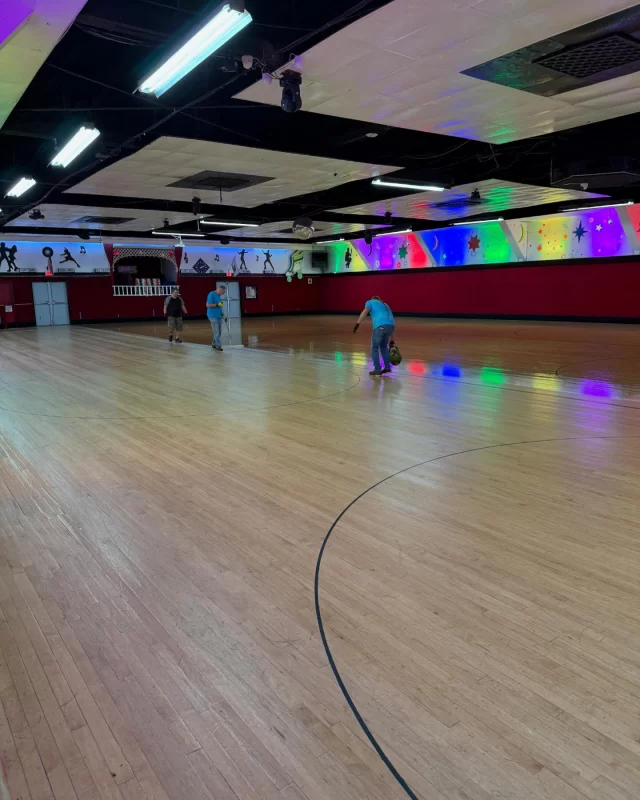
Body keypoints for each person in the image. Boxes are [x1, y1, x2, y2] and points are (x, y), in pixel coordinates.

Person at [353, 295, 395, 376]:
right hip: (390, 326)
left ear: (373, 299)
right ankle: (387, 367)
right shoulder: (385, 305)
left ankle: (377, 369)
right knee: (384, 347)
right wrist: (392, 341)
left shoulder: (370, 302)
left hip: (380, 326)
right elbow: (390, 323)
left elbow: (366, 310)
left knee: (374, 347)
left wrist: (357, 323)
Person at [206, 285, 226, 351]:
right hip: (212, 315)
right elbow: (208, 305)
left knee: (219, 332)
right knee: (216, 331)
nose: (222, 294)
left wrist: (223, 315)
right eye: (222, 292)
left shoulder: (218, 296)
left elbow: (220, 307)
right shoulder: (211, 294)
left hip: (218, 315)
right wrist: (217, 304)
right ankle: (218, 345)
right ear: (220, 289)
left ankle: (214, 344)